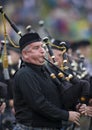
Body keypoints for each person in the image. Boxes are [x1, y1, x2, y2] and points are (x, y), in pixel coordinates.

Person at [13, 32, 80, 130]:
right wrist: (66, 115)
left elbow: (58, 96)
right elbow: (39, 104)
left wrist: (76, 105)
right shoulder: (24, 74)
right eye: (36, 48)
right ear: (25, 54)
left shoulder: (47, 71)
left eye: (42, 46)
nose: (42, 51)